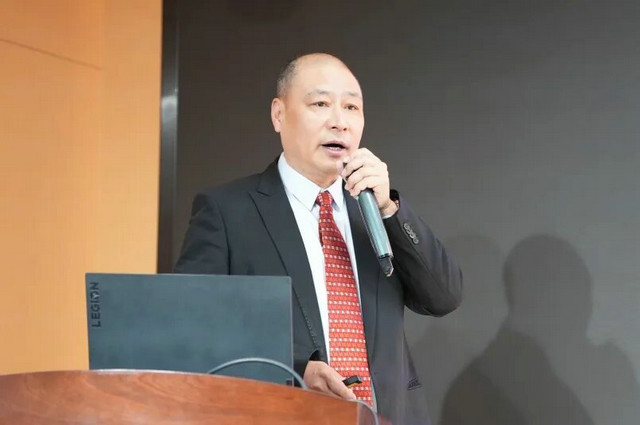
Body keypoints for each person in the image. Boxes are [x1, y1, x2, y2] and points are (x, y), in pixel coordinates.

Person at [174, 53, 463, 425]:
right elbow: (192, 329)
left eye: (351, 107)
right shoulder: (227, 211)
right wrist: (296, 370)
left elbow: (443, 297)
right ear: (279, 114)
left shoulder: (375, 210)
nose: (339, 122)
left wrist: (389, 209)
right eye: (321, 104)